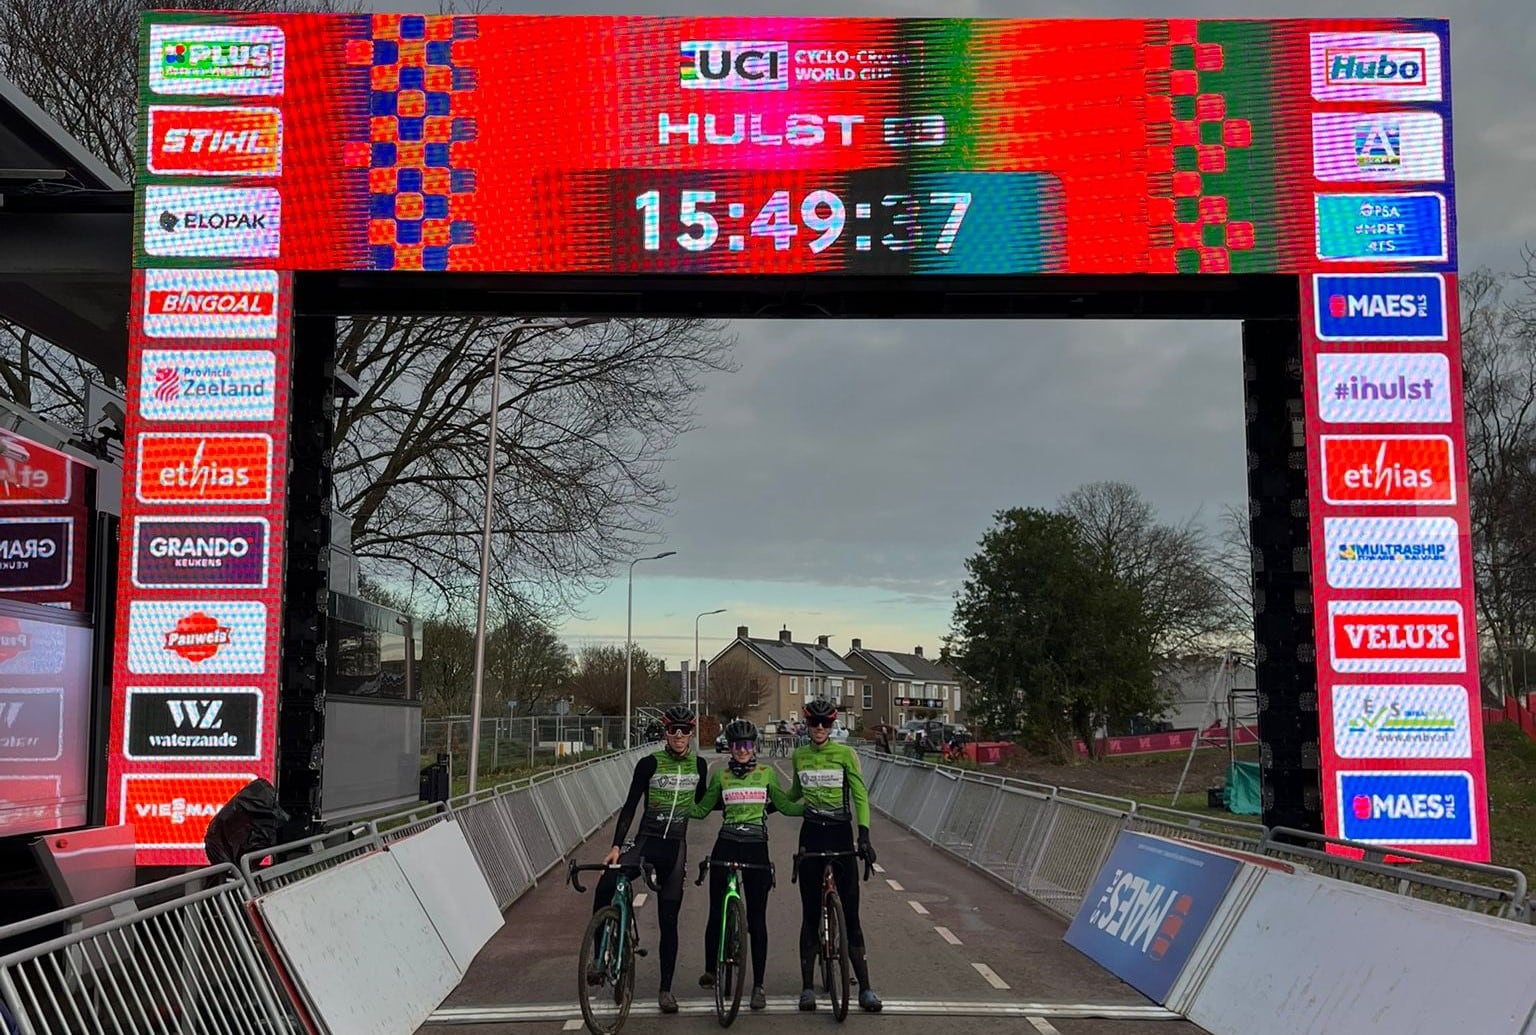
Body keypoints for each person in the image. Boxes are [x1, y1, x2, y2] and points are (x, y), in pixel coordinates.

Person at [593, 703, 708, 1014]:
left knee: (669, 924)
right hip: (646, 842)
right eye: (673, 730)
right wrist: (617, 845)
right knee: (606, 882)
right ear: (665, 732)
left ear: (691, 733)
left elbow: (706, 803)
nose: (679, 736)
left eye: (685, 731)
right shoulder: (648, 764)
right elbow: (629, 807)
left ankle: (666, 990)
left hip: (675, 848)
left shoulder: (700, 766)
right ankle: (598, 953)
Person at [689, 718, 802, 1012]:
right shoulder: (721, 777)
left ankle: (758, 986)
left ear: (755, 747)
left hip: (756, 848)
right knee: (716, 912)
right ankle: (711, 970)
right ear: (730, 747)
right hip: (725, 843)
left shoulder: (766, 774)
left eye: (748, 745)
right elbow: (701, 811)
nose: (742, 750)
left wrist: (812, 806)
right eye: (737, 745)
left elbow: (786, 806)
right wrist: (674, 803)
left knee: (757, 920)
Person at [787, 697, 882, 1013]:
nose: (818, 728)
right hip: (812, 834)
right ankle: (806, 988)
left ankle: (865, 988)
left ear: (832, 725)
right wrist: (763, 795)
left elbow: (860, 795)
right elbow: (794, 797)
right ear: (806, 724)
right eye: (813, 722)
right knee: (810, 914)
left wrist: (864, 835)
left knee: (851, 917)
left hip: (841, 832)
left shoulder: (845, 754)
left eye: (825, 723)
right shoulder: (799, 755)